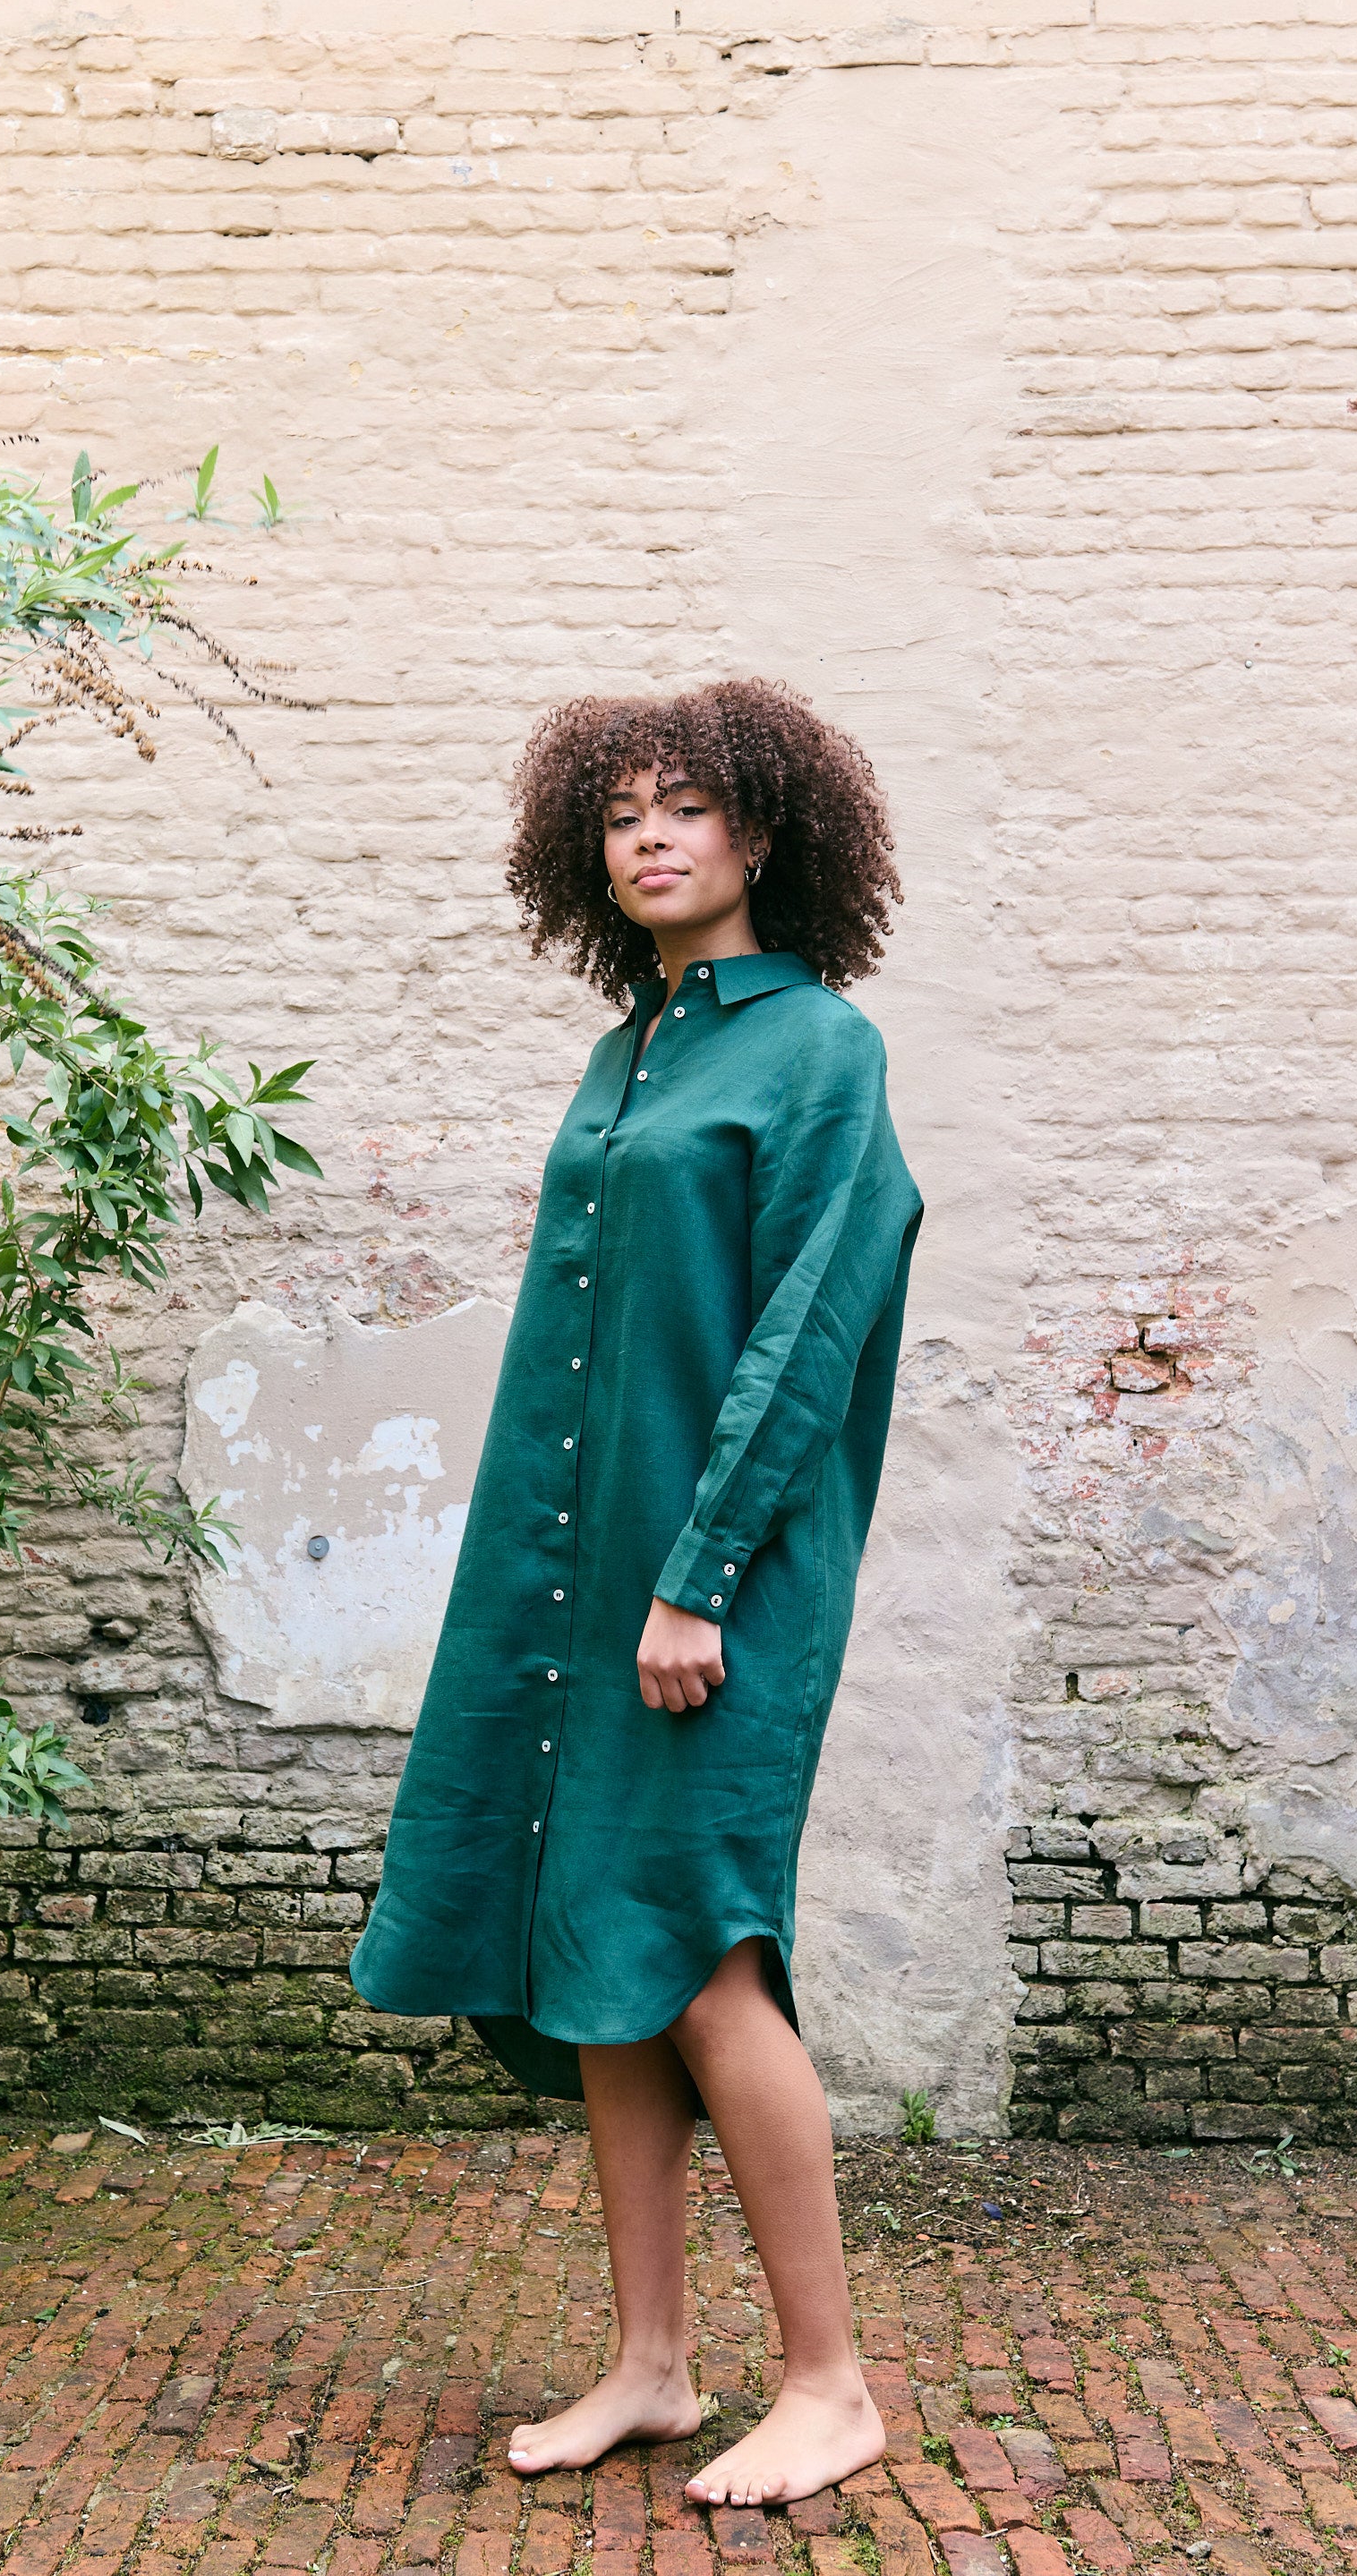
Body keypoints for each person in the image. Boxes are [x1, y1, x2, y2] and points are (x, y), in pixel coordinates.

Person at [351, 678, 922, 2508]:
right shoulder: (632, 1054)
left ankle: (829, 2382)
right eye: (620, 816)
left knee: (698, 1951)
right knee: (603, 1944)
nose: (651, 837)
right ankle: (655, 2365)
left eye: (687, 807)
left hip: (711, 1594)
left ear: (765, 835)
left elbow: (805, 1333)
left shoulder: (819, 1049)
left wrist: (697, 1582)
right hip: (577, 1585)